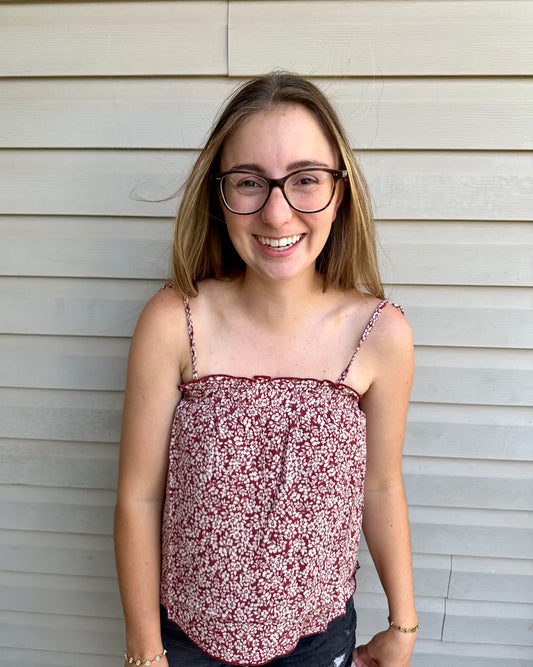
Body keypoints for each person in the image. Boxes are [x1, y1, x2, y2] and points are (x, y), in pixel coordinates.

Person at [114, 72, 417, 667]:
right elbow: (138, 495)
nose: (277, 214)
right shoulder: (175, 321)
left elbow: (380, 487)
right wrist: (144, 650)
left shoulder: (380, 335)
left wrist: (403, 626)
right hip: (182, 641)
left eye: (305, 180)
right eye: (250, 182)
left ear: (342, 189)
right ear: (218, 194)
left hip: (319, 639)